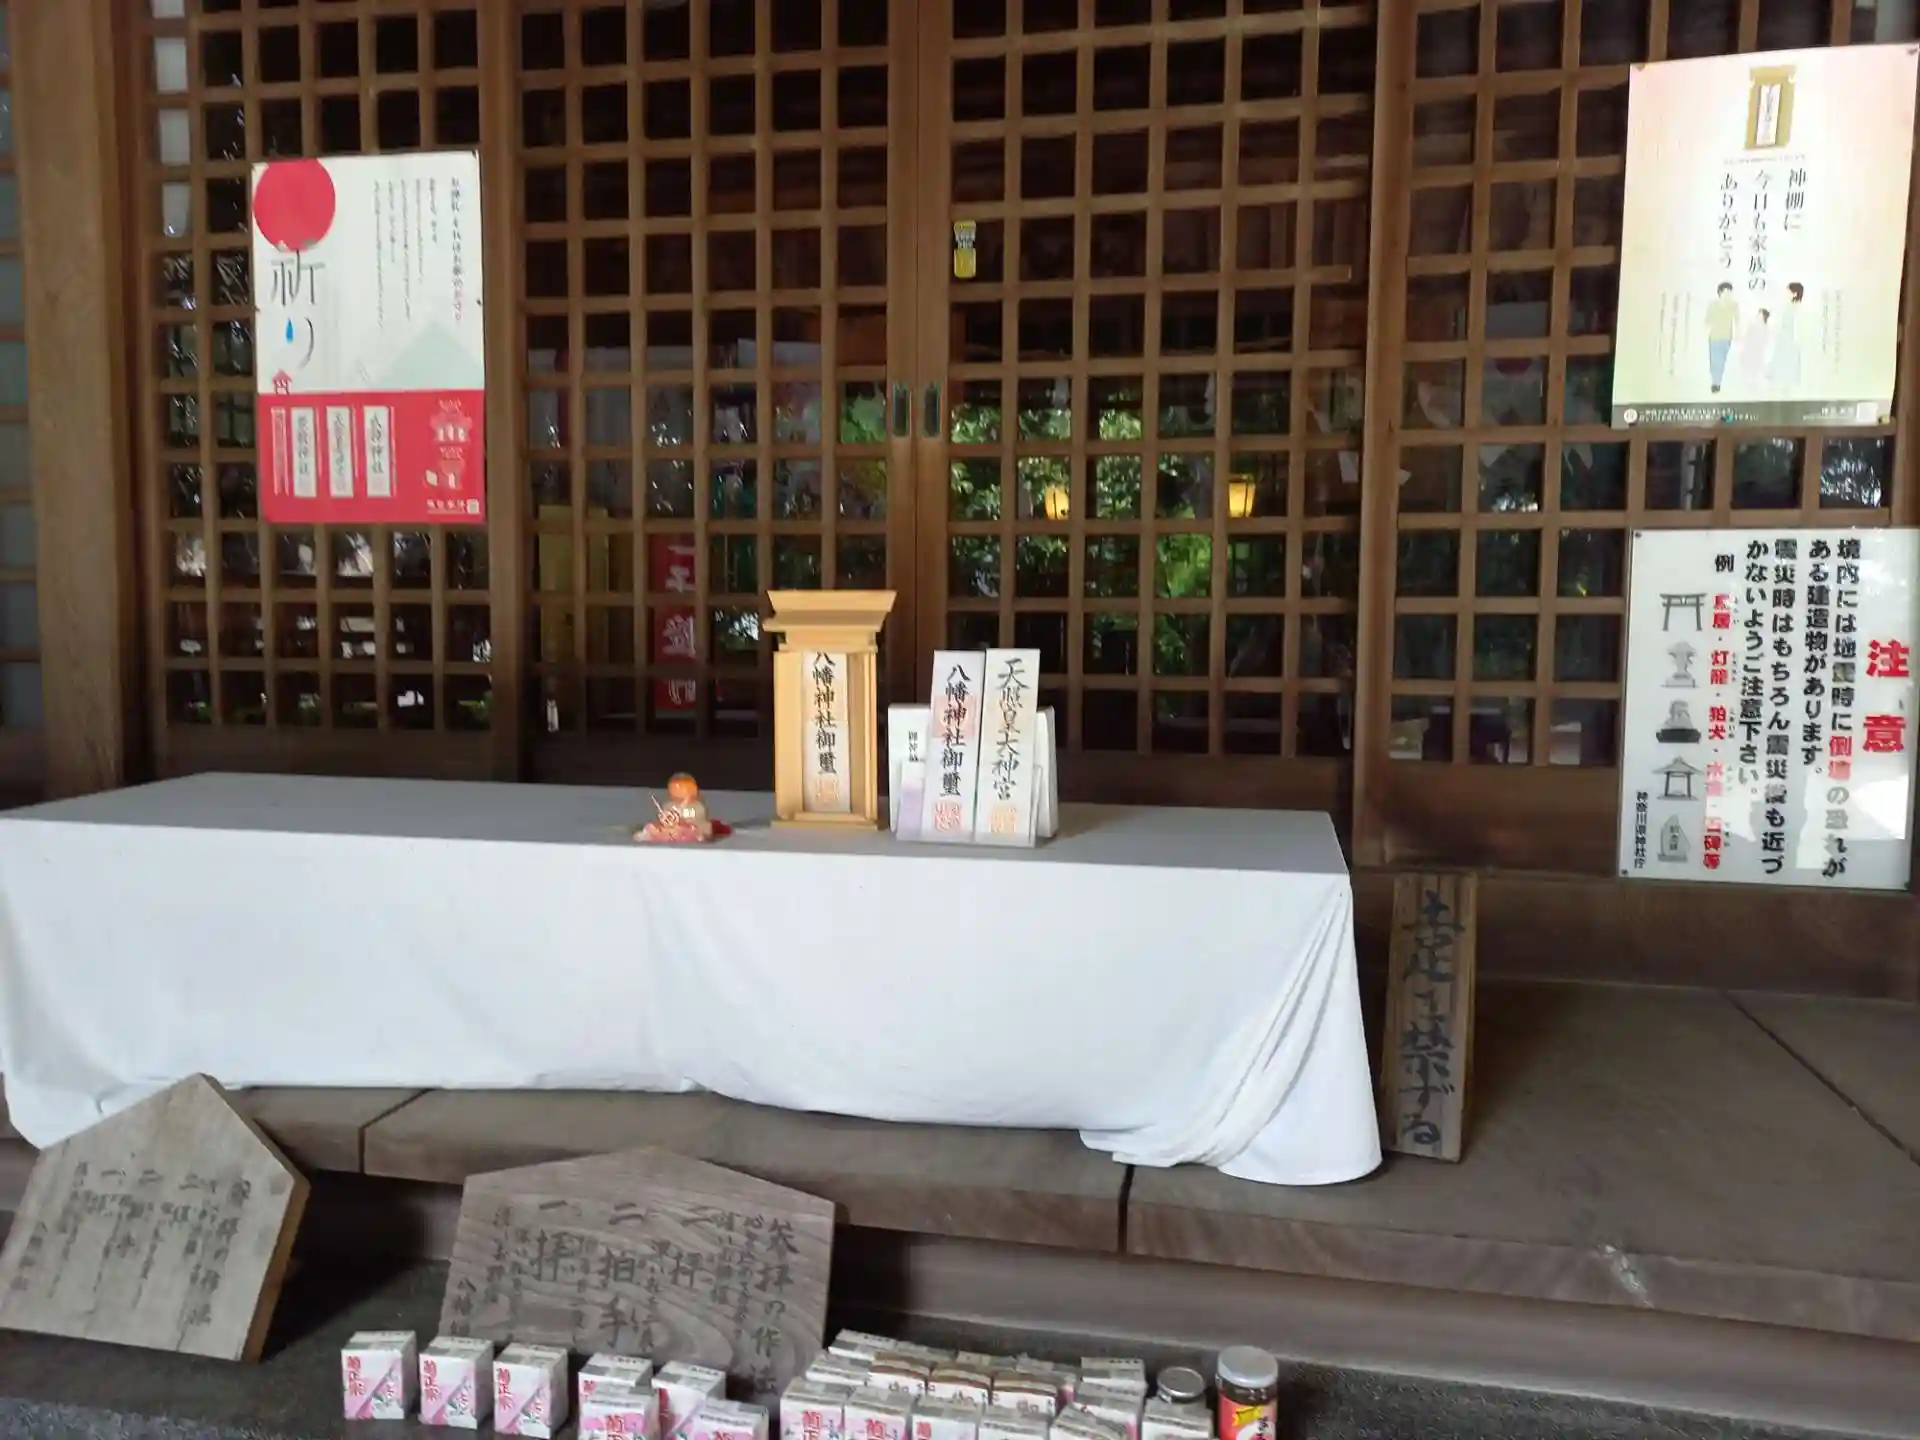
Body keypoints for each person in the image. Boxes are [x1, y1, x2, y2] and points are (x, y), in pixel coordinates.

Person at [1768, 282, 1803, 387]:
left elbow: (1792, 324)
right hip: (1785, 337)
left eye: (1788, 291)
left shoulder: (1795, 307)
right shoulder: (1790, 306)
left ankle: (1785, 384)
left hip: (1789, 338)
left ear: (1795, 294)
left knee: (1787, 361)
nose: (1786, 294)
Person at [1705, 283, 1738, 393]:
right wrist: (1706, 331)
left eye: (1730, 292)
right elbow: (1707, 320)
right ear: (1720, 292)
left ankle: (1717, 381)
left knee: (1721, 361)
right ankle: (1715, 382)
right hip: (1714, 337)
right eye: (1726, 292)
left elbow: (1737, 321)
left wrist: (1738, 335)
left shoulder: (1734, 306)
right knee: (1714, 361)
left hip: (1727, 338)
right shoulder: (1712, 305)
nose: (1728, 294)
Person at [1739, 308, 1771, 387]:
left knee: (1755, 368)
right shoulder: (1754, 326)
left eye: (1760, 315)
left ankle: (1753, 383)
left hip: (1757, 350)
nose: (1758, 316)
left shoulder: (1764, 327)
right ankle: (1751, 383)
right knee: (1752, 367)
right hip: (1751, 350)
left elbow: (1765, 340)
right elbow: (1746, 337)